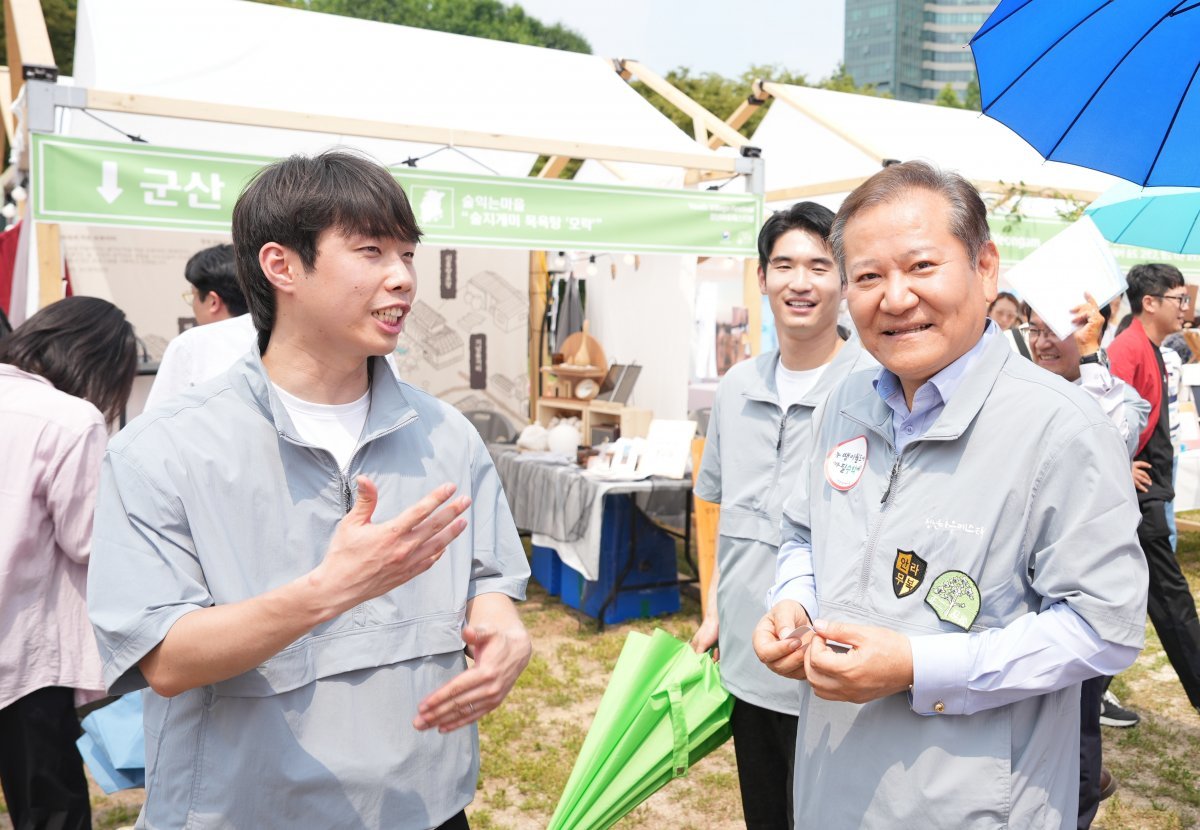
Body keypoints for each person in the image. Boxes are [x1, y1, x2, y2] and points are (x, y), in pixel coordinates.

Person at [88, 151, 532, 830]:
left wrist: (504, 633)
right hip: (247, 812)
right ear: (281, 266)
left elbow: (489, 579)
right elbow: (167, 658)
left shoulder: (446, 434)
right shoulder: (165, 449)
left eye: (408, 255)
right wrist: (330, 589)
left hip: (427, 807)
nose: (403, 279)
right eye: (371, 251)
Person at [752, 161, 1148, 829]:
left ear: (986, 268)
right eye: (870, 277)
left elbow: (1102, 629)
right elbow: (803, 532)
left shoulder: (1060, 428)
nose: (895, 298)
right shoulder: (845, 400)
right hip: (831, 781)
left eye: (921, 267)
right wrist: (793, 599)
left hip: (972, 803)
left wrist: (918, 666)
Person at [690, 202, 872, 829]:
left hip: (836, 658)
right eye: (784, 265)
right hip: (748, 651)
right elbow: (716, 507)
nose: (801, 282)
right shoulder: (736, 386)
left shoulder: (874, 386)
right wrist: (714, 606)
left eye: (820, 266)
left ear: (844, 282)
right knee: (765, 813)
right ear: (762, 277)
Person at [0, 297, 137, 830]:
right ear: (97, 363)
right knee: (49, 812)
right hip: (25, 658)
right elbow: (91, 542)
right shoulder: (70, 419)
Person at [1024, 297, 1149, 828]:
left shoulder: (1117, 398)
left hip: (1081, 595)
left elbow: (1116, 434)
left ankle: (1077, 802)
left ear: (1091, 334)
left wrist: (1096, 360)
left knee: (1076, 717)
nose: (1043, 341)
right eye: (1034, 329)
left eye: (1057, 330)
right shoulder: (1023, 395)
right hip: (1026, 587)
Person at [1108, 263, 1200, 716]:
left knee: (1134, 597)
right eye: (1179, 299)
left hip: (1151, 491)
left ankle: (1090, 689)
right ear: (1150, 302)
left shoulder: (1151, 348)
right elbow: (1107, 417)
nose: (1187, 308)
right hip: (1139, 498)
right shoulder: (1128, 349)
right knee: (1170, 600)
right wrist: (1119, 463)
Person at [145, 244, 256, 409]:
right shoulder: (277, 337)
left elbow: (156, 422)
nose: (193, 304)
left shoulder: (191, 344)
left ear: (213, 301)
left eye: (193, 296)